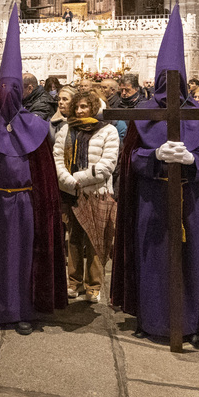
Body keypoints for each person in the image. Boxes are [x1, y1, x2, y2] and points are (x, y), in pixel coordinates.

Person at [110, 5, 199, 348]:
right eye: (165, 79)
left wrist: (193, 158)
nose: (170, 86)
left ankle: (189, 322)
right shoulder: (143, 112)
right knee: (151, 259)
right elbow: (130, 158)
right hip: (152, 199)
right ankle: (150, 319)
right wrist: (154, 155)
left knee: (190, 261)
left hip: (190, 199)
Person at [0, 5, 67, 334]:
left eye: (13, 90)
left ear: (22, 93)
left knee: (23, 260)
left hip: (24, 205)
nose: (7, 96)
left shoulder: (35, 125)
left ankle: (23, 312)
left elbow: (43, 172)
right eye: (2, 90)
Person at [54, 89, 120, 303]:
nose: (81, 110)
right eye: (78, 107)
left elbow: (108, 164)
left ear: (94, 107)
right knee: (73, 239)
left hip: (96, 192)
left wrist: (79, 178)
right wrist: (68, 180)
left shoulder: (107, 131)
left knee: (95, 240)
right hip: (71, 192)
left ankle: (94, 285)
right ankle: (73, 282)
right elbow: (57, 159)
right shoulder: (65, 129)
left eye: (85, 106)